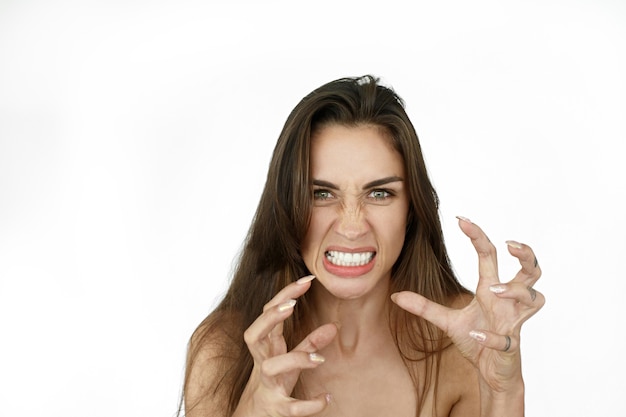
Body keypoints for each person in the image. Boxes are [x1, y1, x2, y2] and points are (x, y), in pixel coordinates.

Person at [180, 75, 544, 417]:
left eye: (379, 193)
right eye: (321, 193)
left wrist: (503, 393)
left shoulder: (463, 340)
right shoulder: (223, 350)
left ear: (412, 209)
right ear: (287, 205)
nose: (352, 226)